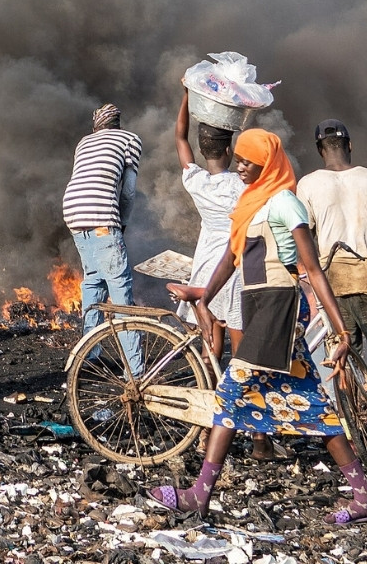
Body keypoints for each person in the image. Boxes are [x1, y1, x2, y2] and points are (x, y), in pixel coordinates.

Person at [157, 129, 367, 522]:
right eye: (237, 159)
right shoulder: (249, 202)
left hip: (279, 308)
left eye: (247, 161)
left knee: (229, 394)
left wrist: (341, 332)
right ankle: (363, 495)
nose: (239, 166)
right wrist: (203, 295)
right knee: (314, 406)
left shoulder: (286, 204)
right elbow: (230, 259)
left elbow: (313, 271)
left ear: (266, 163)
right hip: (259, 306)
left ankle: (199, 495)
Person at [61, 102, 143, 374]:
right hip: (100, 216)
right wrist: (122, 224)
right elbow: (128, 192)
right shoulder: (130, 139)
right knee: (121, 292)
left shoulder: (83, 142)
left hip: (73, 212)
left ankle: (89, 357)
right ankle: (135, 372)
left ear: (96, 126)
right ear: (118, 124)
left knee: (94, 280)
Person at [173, 91, 244, 360]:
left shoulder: (196, 181)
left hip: (205, 269)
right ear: (229, 150)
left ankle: (208, 382)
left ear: (202, 151)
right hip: (232, 270)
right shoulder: (240, 185)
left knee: (210, 345)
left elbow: (180, 137)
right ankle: (237, 384)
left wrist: (186, 96)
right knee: (238, 347)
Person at [299, 119, 367, 348]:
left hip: (334, 283)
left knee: (345, 353)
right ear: (350, 145)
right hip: (366, 276)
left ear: (320, 150)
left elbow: (304, 236)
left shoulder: (308, 184)